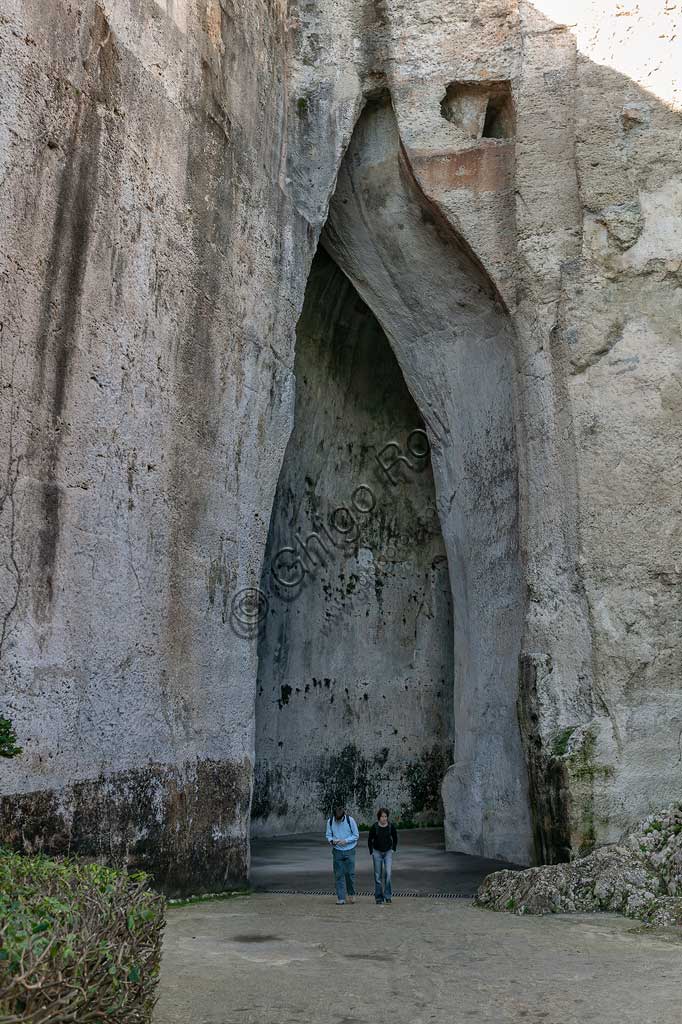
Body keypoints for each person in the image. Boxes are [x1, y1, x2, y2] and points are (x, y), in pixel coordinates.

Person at [325, 805, 359, 905]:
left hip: (350, 850)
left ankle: (351, 894)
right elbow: (328, 835)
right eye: (336, 818)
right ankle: (341, 898)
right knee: (338, 875)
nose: (338, 820)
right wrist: (332, 841)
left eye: (339, 819)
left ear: (343, 816)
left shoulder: (350, 820)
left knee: (350, 874)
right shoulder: (330, 821)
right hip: (337, 850)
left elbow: (356, 835)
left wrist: (346, 841)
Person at [368, 807, 398, 905]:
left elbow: (395, 837)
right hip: (377, 852)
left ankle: (388, 896)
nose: (384, 818)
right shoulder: (375, 827)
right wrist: (371, 851)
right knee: (377, 876)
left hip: (388, 852)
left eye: (385, 816)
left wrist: (393, 849)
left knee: (388, 874)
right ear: (379, 817)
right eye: (382, 816)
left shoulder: (390, 826)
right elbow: (370, 839)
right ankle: (379, 897)